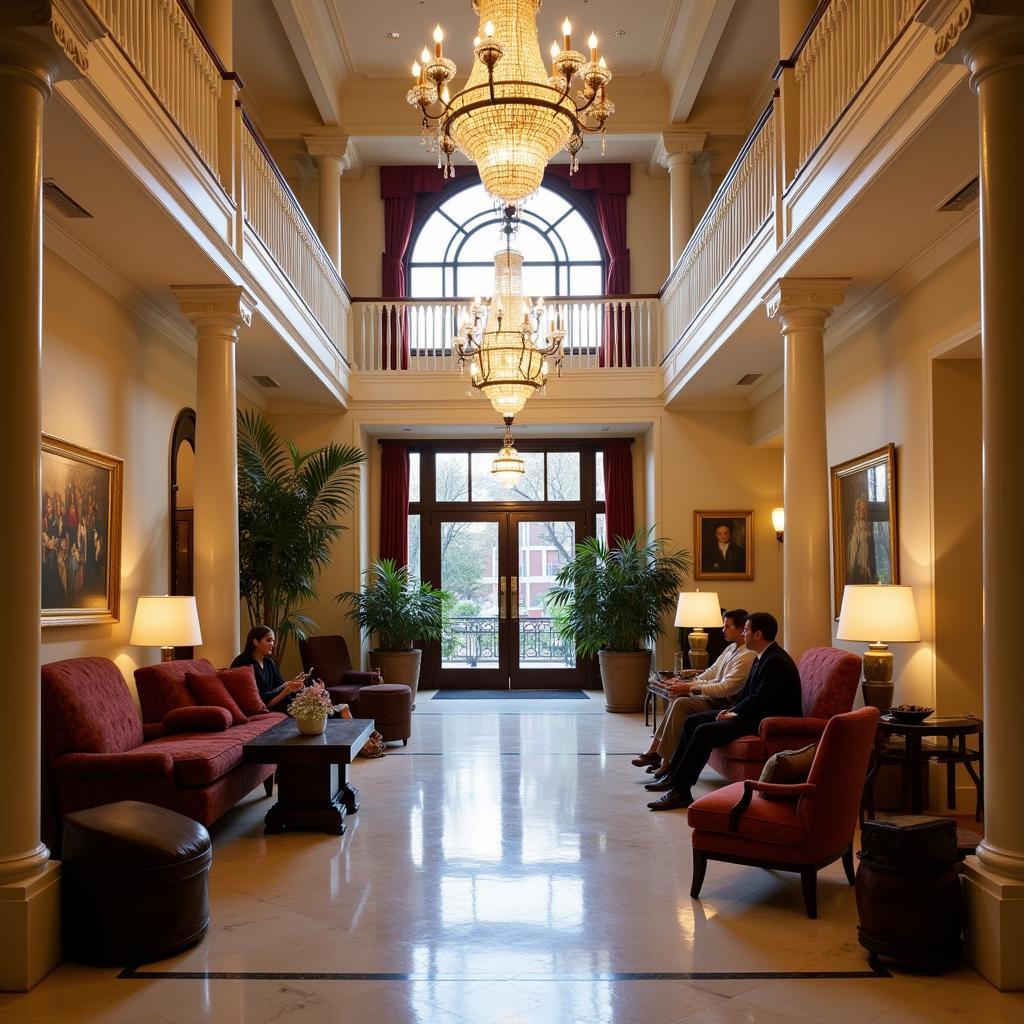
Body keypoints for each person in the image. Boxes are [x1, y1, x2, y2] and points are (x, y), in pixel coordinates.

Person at [646, 612, 802, 811]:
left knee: (703, 731)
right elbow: (748, 693)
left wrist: (734, 713)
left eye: (746, 630)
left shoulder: (775, 661)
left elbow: (761, 699)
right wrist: (732, 709)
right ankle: (673, 778)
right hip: (754, 713)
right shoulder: (762, 656)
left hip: (766, 721)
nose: (744, 634)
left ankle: (681, 791)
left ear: (758, 634)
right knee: (692, 721)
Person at [631, 609, 754, 774]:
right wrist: (688, 682)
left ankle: (666, 763)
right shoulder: (731, 648)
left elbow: (726, 687)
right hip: (713, 697)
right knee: (677, 698)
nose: (723, 630)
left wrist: (690, 687)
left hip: (725, 703)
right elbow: (712, 671)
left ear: (741, 630)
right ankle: (656, 751)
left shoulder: (747, 655)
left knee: (681, 703)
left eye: (727, 626)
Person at [231, 625, 314, 712]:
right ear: (255, 642)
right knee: (293, 702)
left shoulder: (268, 662)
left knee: (311, 697)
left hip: (273, 701)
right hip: (259, 705)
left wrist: (294, 686)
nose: (272, 644)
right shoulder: (242, 663)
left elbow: (279, 685)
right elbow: (259, 699)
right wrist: (287, 689)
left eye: (273, 641)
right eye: (268, 640)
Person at [847, 497, 876, 584]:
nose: (862, 511)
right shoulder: (854, 527)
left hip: (867, 565)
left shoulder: (868, 526)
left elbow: (871, 547)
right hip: (858, 564)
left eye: (864, 509)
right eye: (860, 509)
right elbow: (853, 547)